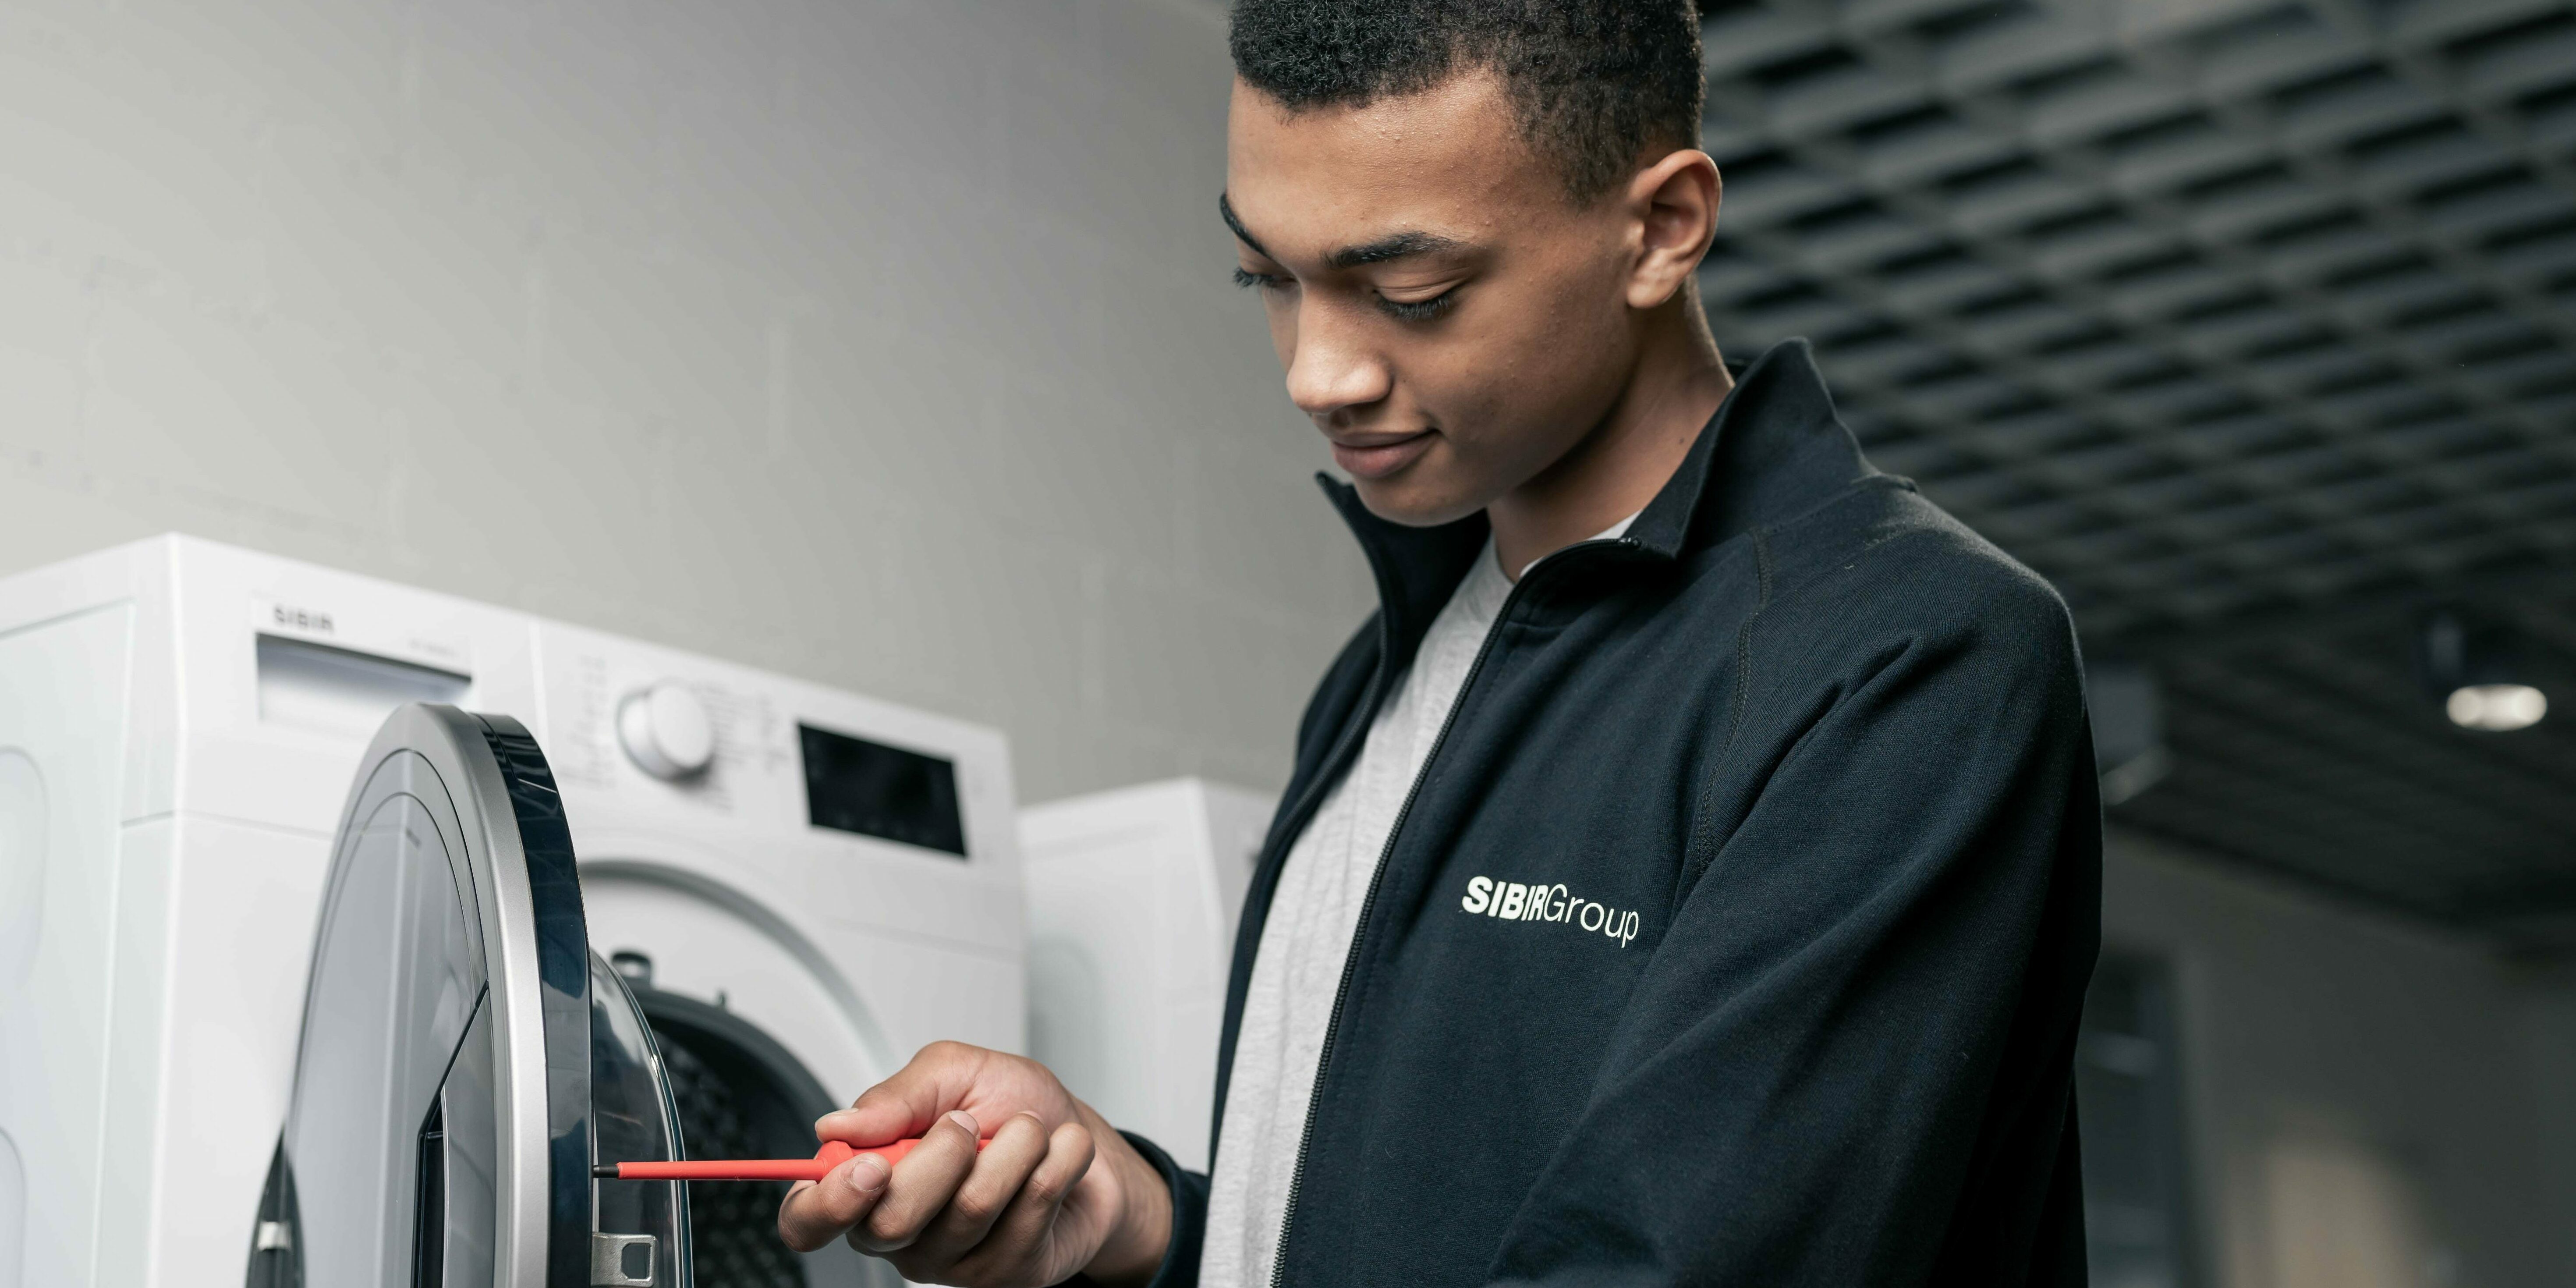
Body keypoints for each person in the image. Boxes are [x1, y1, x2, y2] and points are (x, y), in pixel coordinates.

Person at [778, 1, 2101, 1284]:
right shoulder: (1385, 673)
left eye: (1408, 290)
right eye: (1269, 276)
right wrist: (1141, 1223)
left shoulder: (1914, 656)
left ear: (1661, 228)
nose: (1317, 373)